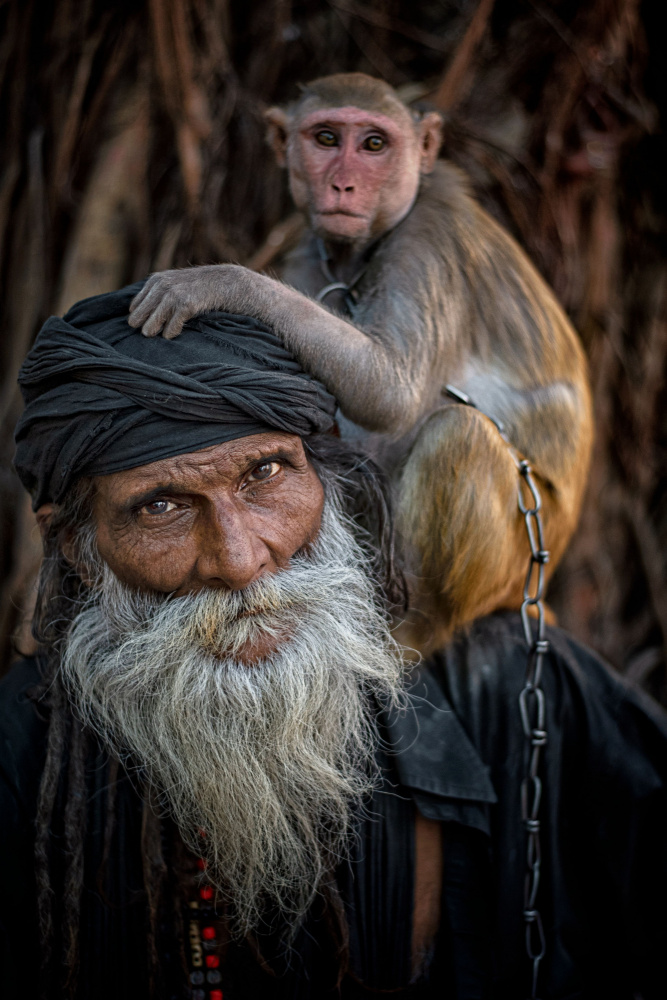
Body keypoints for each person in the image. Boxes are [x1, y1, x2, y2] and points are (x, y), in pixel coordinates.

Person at [1, 284, 666, 1000]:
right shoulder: (22, 755)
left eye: (265, 473)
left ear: (324, 476)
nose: (238, 559)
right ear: (76, 544)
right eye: (161, 506)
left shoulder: (515, 685)